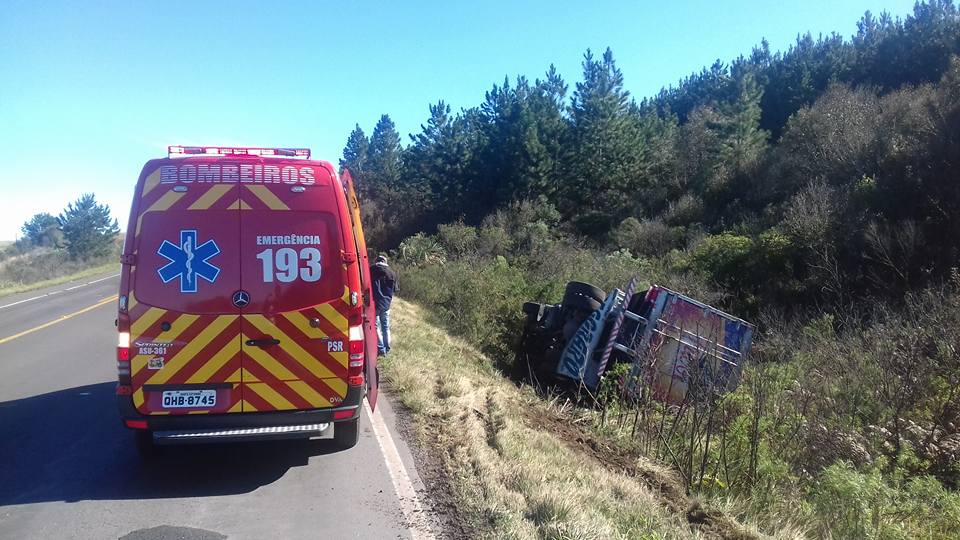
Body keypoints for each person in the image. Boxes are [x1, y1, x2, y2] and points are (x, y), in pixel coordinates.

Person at [370, 255, 397, 356]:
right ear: (385, 261)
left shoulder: (371, 270)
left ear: (376, 261)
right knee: (385, 326)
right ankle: (387, 347)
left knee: (375, 326)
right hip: (386, 304)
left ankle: (381, 348)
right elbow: (395, 289)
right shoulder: (392, 273)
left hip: (375, 303)